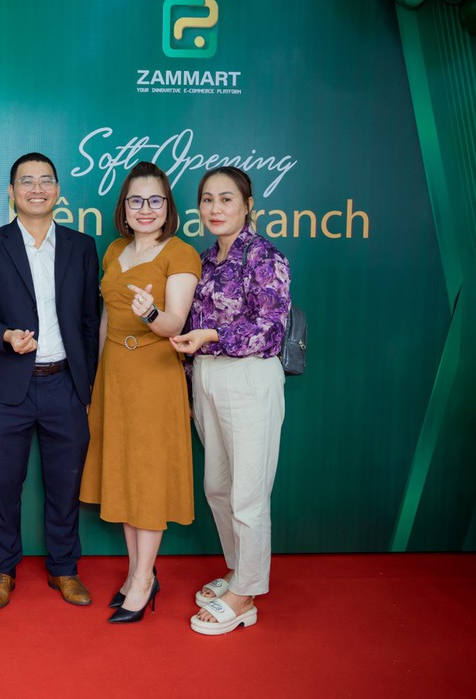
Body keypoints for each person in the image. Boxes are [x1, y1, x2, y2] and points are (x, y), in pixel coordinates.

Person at [0, 152, 100, 609]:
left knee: (65, 485)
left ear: (58, 190)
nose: (36, 189)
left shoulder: (81, 246)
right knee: (3, 486)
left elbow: (89, 321)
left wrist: (86, 385)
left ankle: (64, 568)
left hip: (65, 384)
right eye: (27, 181)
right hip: (7, 387)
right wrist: (4, 336)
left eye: (45, 180)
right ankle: (1, 569)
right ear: (11, 191)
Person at [170, 165, 290, 636]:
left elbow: (271, 329)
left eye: (226, 199)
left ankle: (246, 595)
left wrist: (213, 336)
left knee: (247, 494)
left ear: (247, 205)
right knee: (218, 487)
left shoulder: (263, 255)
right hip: (207, 377)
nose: (215, 208)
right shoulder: (203, 259)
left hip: (249, 378)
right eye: (207, 199)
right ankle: (239, 571)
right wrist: (189, 377)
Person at [79, 161, 200, 623]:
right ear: (124, 207)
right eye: (136, 200)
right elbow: (106, 320)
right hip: (116, 373)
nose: (145, 209)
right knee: (127, 474)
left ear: (167, 207)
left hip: (154, 373)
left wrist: (151, 314)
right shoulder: (114, 250)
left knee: (147, 477)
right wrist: (96, 378)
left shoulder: (181, 253)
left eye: (155, 200)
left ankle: (145, 579)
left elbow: (175, 323)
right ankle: (136, 572)